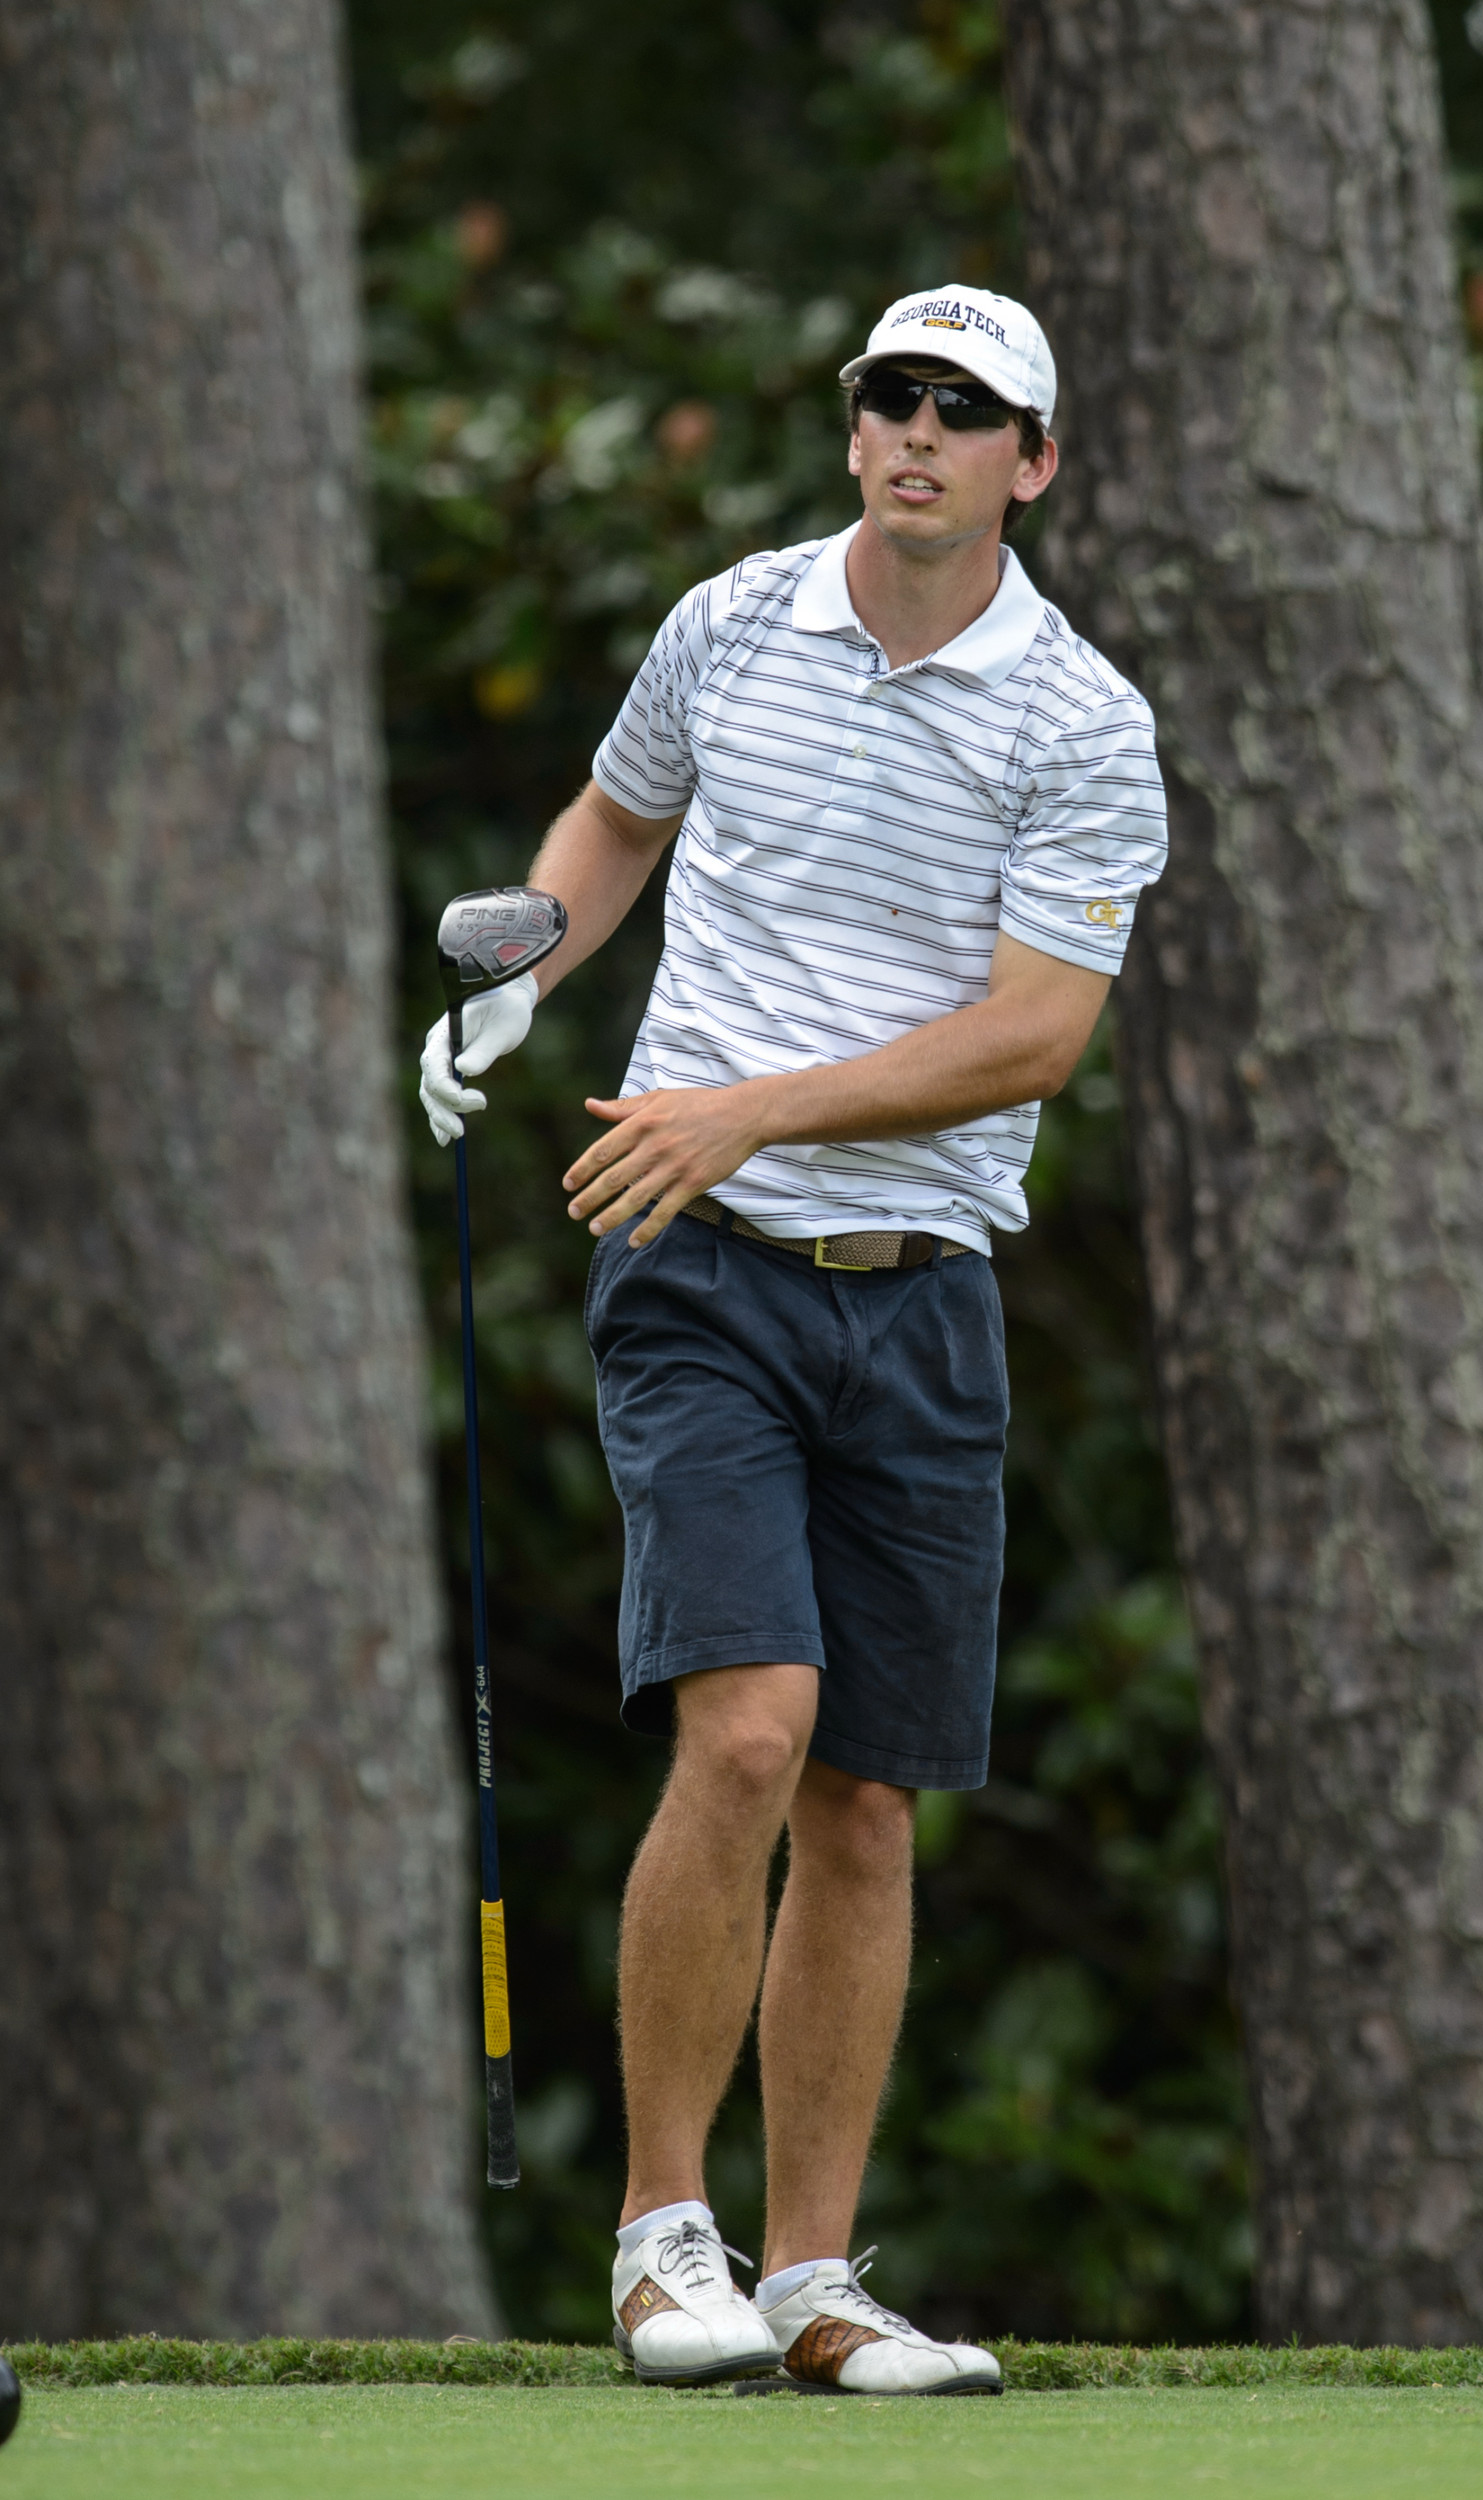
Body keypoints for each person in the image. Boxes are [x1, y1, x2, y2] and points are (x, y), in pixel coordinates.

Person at [420, 284, 1167, 2393]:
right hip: (700, 1259)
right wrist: (532, 965)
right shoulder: (730, 621)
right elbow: (616, 813)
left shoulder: (1080, 718)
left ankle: (816, 2274)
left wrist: (754, 1092)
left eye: (966, 410)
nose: (917, 431)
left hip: (923, 1296)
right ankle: (668, 2237)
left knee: (863, 1797)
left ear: (1033, 461)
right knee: (745, 1726)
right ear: (851, 432)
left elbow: (1035, 1030)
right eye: (888, 398)